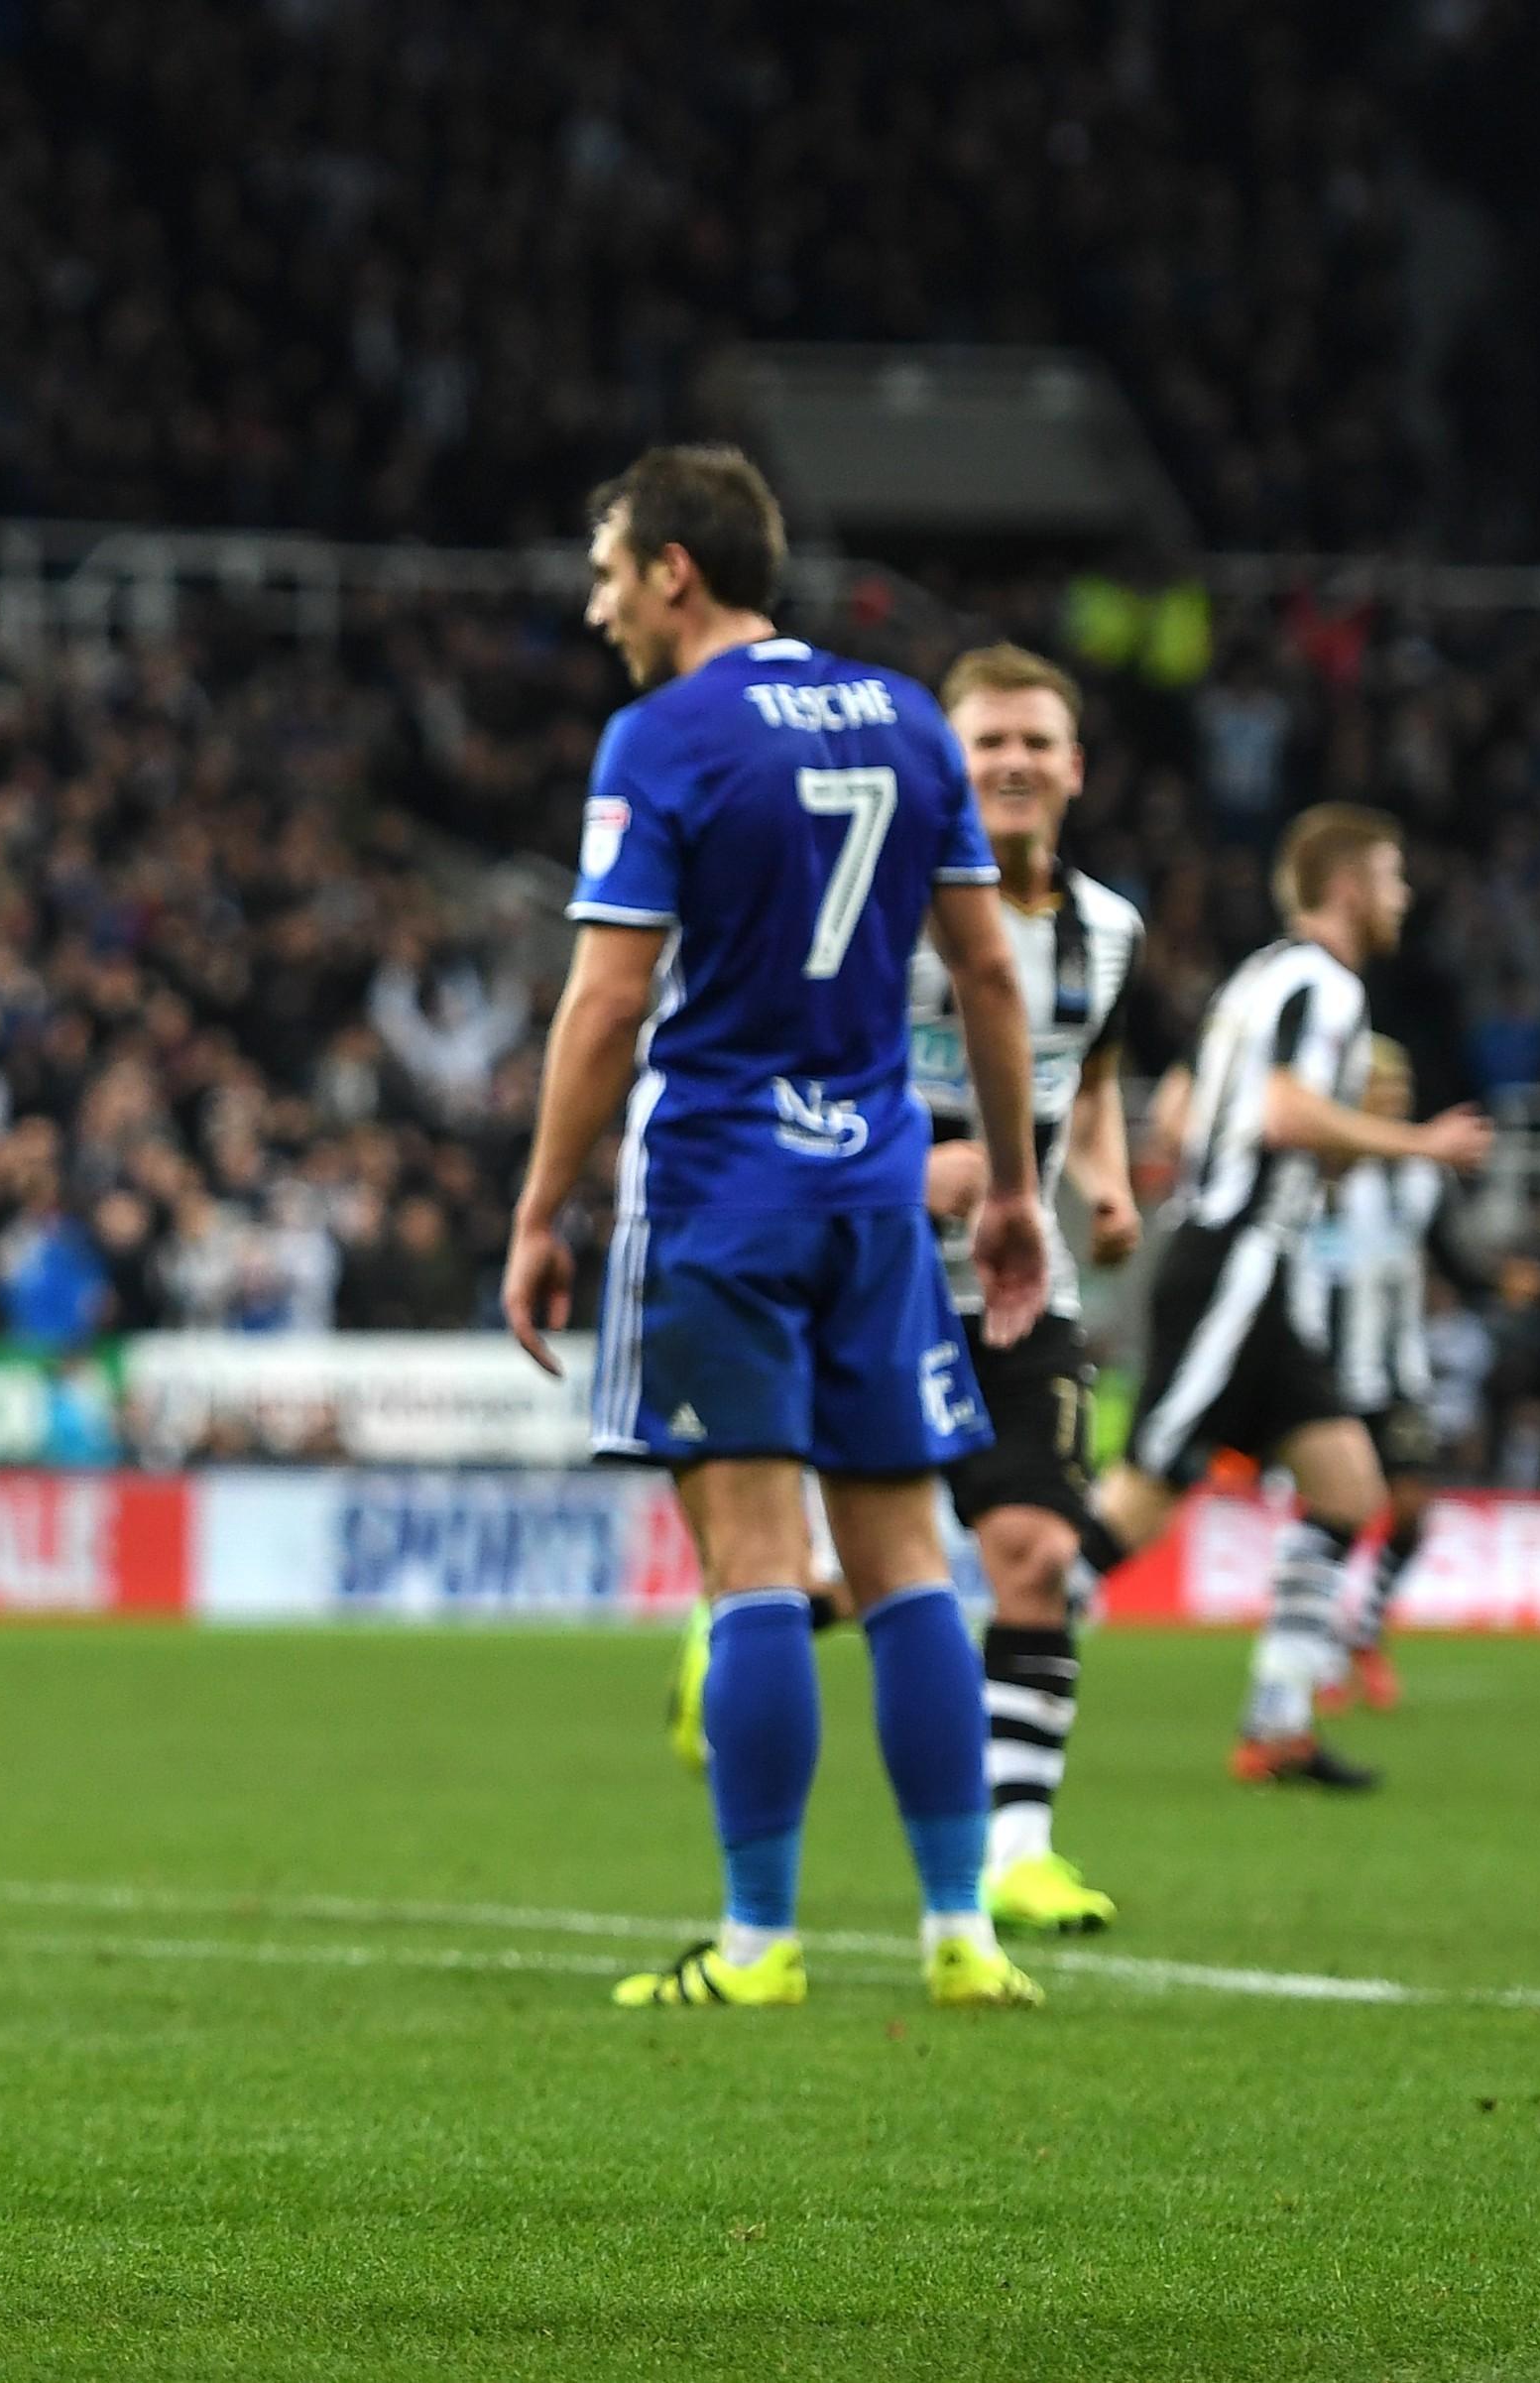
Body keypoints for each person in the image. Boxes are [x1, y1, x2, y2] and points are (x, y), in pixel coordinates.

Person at [504, 443, 1057, 2016]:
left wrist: (540, 1206)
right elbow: (991, 971)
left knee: (755, 1568)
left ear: (676, 570)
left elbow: (608, 998)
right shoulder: (908, 716)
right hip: (875, 1192)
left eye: (611, 572)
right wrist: (1015, 1185)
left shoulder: (663, 735)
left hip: (723, 1192)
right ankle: (960, 1926)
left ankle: (759, 1943)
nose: (600, 605)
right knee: (909, 1569)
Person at [1093, 806, 1488, 1789]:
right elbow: (1279, 1112)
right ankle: (1003, 1641)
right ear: (1348, 888)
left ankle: (1277, 1724)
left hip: (1260, 1267)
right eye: (1391, 878)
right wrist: (1418, 1143)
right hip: (1238, 1263)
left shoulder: (1259, 978)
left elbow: (1181, 1109)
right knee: (1146, 1489)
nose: (1403, 897)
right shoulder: (1327, 985)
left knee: (1348, 1488)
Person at [899, 644, 1145, 1937]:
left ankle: (1020, 1850)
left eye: (1035, 741)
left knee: (1039, 1553)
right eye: (986, 740)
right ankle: (744, 1623)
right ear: (945, 764)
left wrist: (1105, 1186)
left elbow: (1090, 1080)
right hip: (876, 1279)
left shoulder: (1111, 932)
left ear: (1075, 768)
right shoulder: (881, 909)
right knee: (859, 1571)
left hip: (1018, 1290)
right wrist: (904, 1166)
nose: (1012, 761)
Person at [1307, 1037, 1466, 1716]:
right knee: (1334, 1514)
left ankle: (1362, 1630)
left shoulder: (1422, 1176)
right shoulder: (1320, 1173)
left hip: (1399, 1373)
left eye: (1400, 1089)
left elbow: (1450, 1255)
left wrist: (1498, 1280)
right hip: (1328, 1373)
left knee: (1411, 1509)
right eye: (1380, 1087)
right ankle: (1318, 1650)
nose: (1393, 1099)